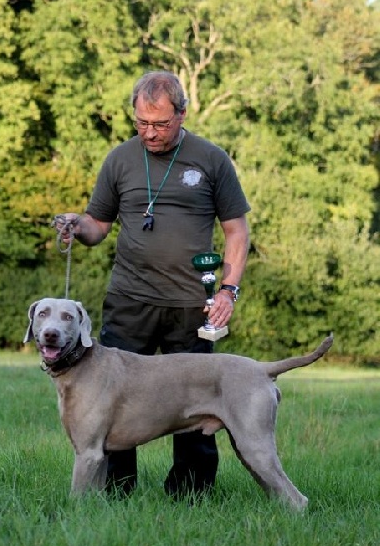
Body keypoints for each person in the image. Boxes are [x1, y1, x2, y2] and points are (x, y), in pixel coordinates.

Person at [56, 70, 250, 498]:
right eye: (142, 122)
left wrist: (227, 291)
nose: (150, 132)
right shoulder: (120, 159)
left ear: (182, 113)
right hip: (129, 301)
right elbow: (98, 225)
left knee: (197, 406)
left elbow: (237, 231)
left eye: (160, 124)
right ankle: (117, 496)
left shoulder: (211, 159)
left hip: (189, 305)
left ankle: (190, 498)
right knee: (108, 402)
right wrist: (76, 226)